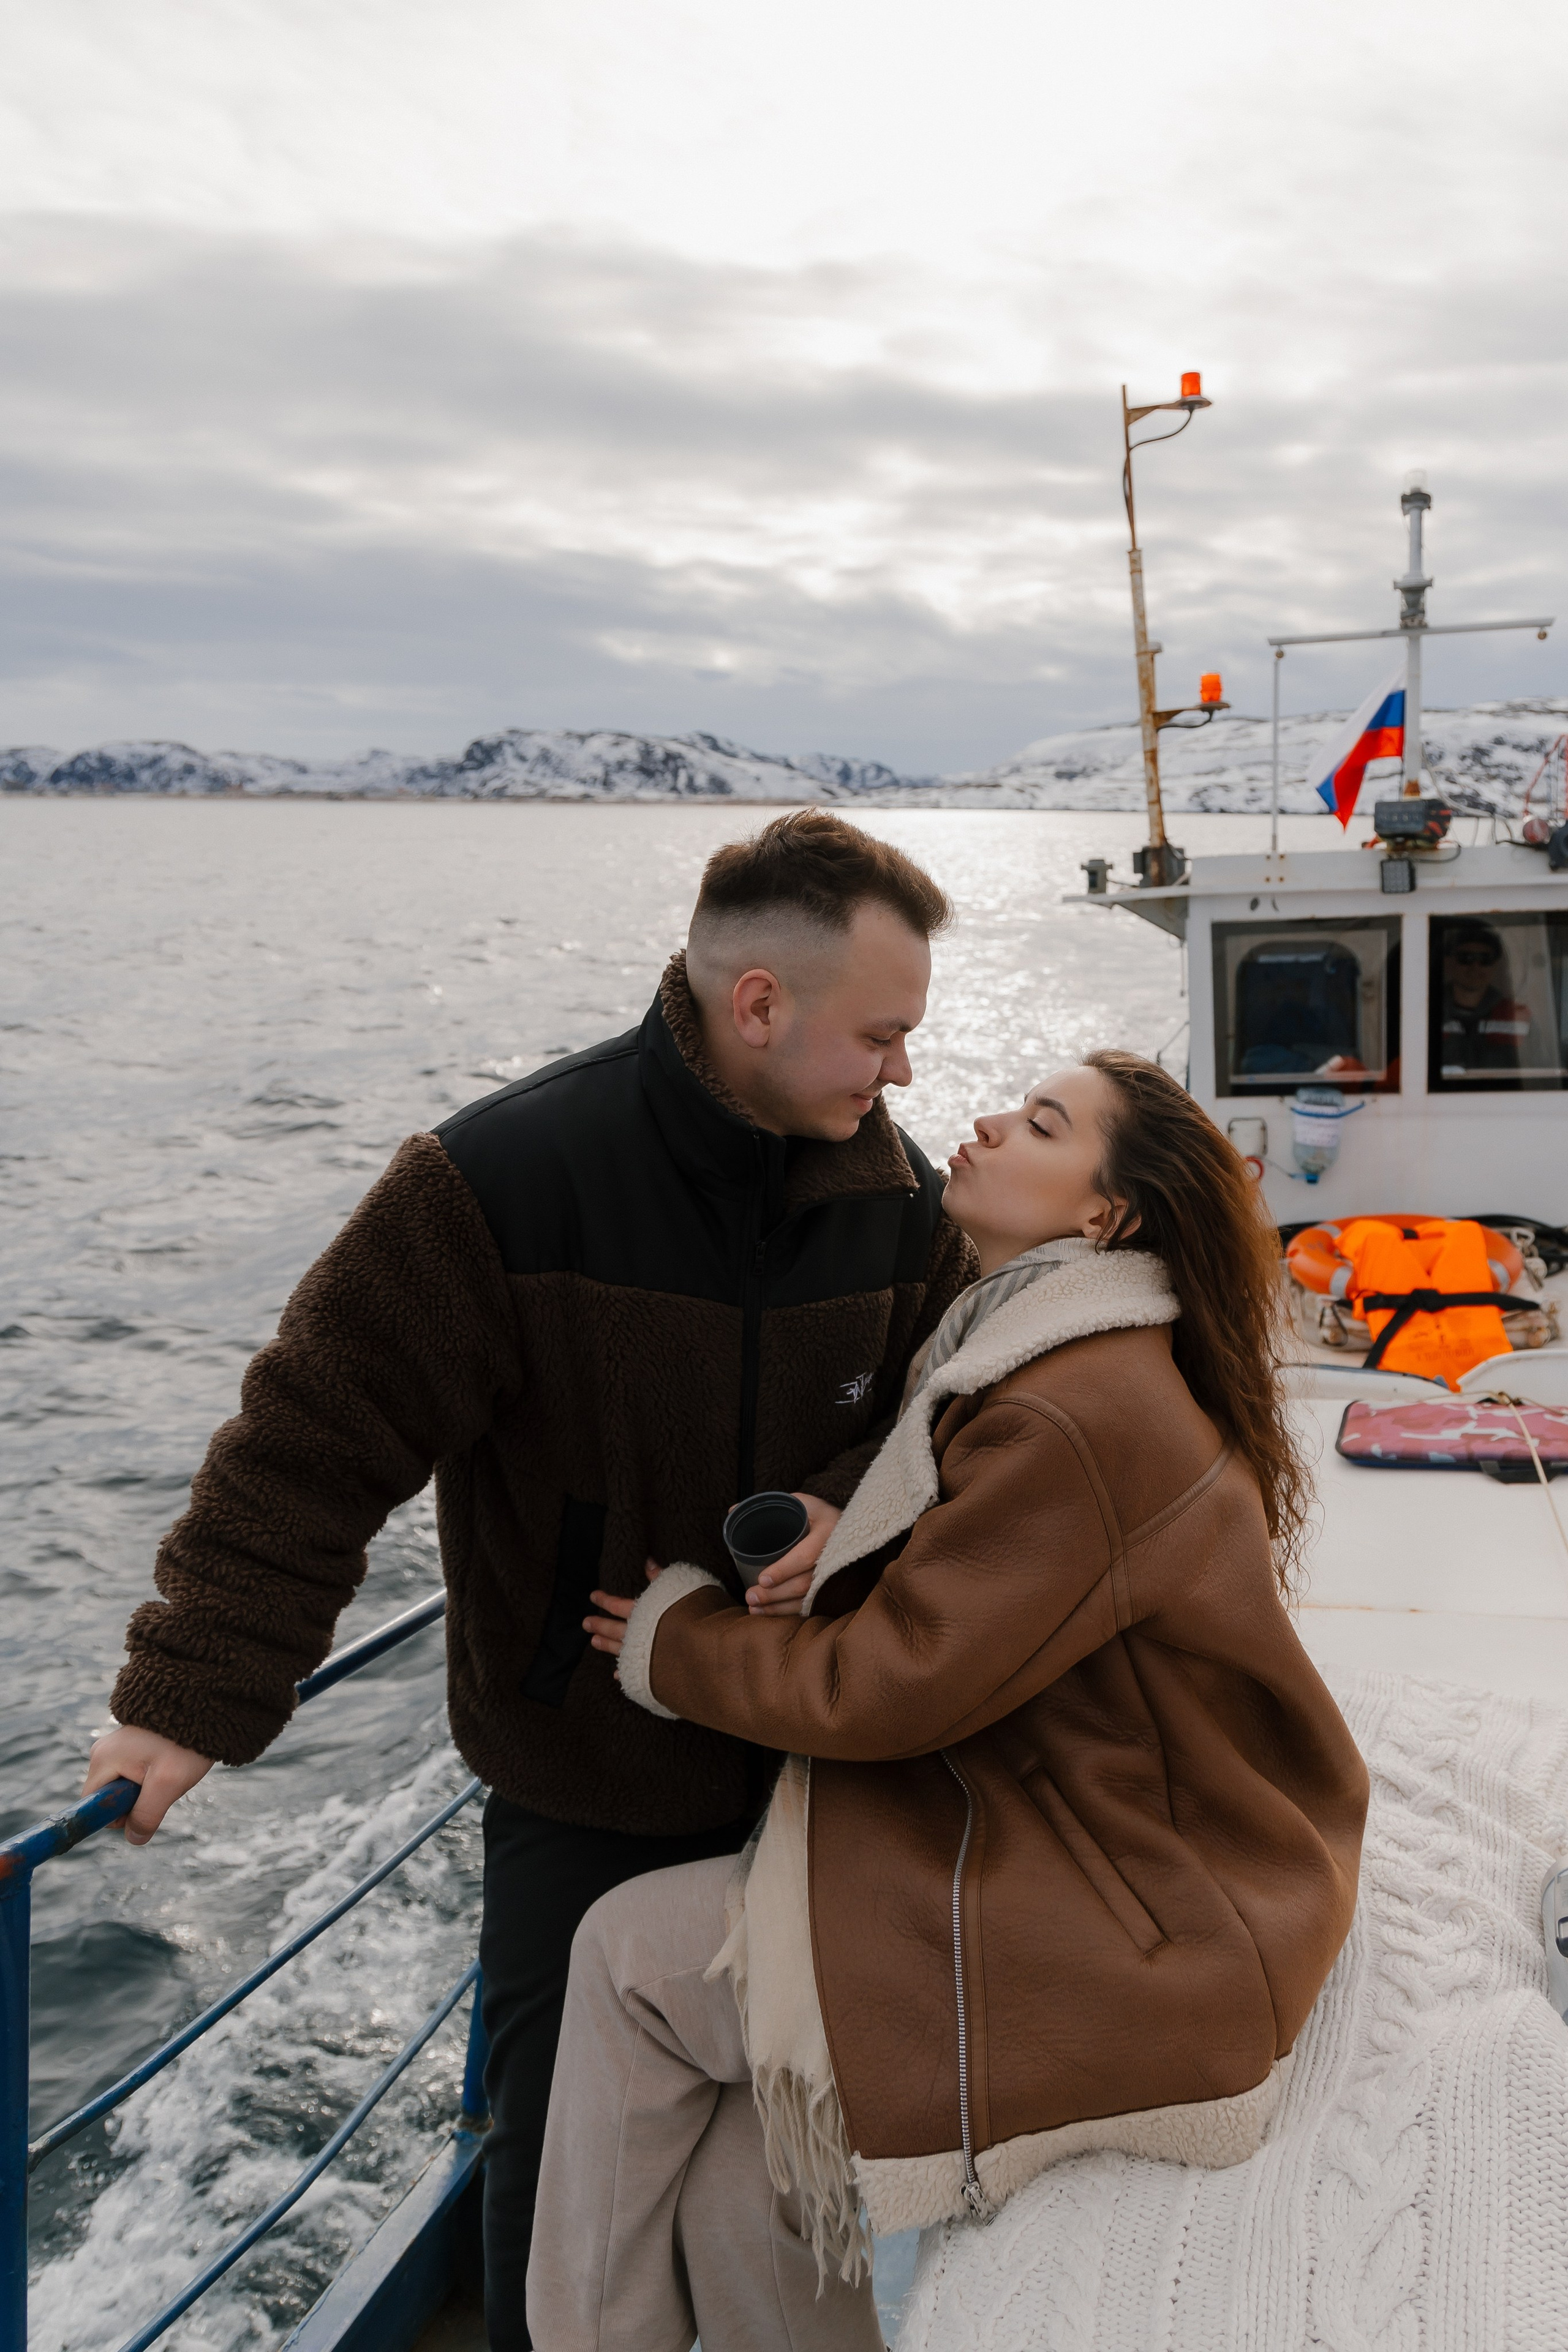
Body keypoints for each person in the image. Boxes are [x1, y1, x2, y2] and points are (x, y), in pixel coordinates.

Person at [78, 810, 979, 2351]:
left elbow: (948, 1418)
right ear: (756, 1003)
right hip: (584, 1784)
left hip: (823, 1776)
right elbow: (313, 1431)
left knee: (777, 2175)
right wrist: (191, 1694)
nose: (898, 1071)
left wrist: (837, 1505)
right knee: (555, 2166)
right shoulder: (498, 1178)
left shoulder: (895, 1204)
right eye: (880, 1033)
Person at [553, 1049, 1369, 2352]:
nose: (985, 1121)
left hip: (1138, 1927)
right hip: (1140, 1858)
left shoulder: (1067, 1408)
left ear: (1101, 1217)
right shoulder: (1066, 1348)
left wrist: (675, 1640)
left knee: (621, 1960)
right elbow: (987, 1576)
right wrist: (861, 1523)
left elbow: (890, 1687)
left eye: (1040, 1123)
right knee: (737, 2150)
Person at [1438, 918, 1534, 1076]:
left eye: (1485, 959)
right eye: (1465, 958)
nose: (1475, 967)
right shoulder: (1426, 1014)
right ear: (1449, 964)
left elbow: (1537, 1075)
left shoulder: (1518, 1016)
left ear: (1496, 966)